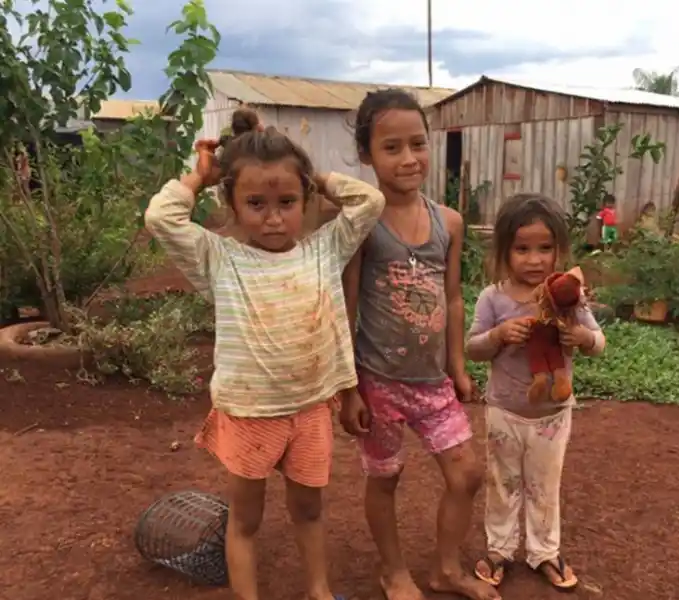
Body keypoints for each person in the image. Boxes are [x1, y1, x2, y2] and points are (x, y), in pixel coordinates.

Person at [143, 107, 385, 600]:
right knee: (247, 519)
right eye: (255, 202)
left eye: (288, 200)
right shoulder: (219, 258)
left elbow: (370, 201)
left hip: (311, 409)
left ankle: (319, 591)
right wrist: (199, 176)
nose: (274, 217)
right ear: (230, 202)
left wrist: (311, 172)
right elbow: (160, 218)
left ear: (305, 199)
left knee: (310, 509)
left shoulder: (324, 249)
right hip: (251, 413)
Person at [337, 89, 499, 600]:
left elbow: (452, 299)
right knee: (385, 478)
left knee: (467, 473)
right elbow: (347, 305)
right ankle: (393, 571)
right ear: (366, 154)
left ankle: (445, 570)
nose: (409, 159)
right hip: (378, 382)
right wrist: (347, 388)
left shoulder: (448, 222)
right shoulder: (362, 224)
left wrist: (457, 365)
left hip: (433, 384)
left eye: (418, 144)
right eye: (391, 148)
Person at [465, 193, 606, 593]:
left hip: (552, 414)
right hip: (503, 411)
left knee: (545, 486)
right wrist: (498, 335)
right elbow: (472, 348)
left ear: (559, 250)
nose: (534, 259)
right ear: (505, 251)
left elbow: (599, 341)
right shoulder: (493, 298)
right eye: (522, 249)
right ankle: (500, 550)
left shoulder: (566, 296)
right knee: (502, 482)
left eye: (545, 248)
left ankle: (545, 551)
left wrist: (579, 336)